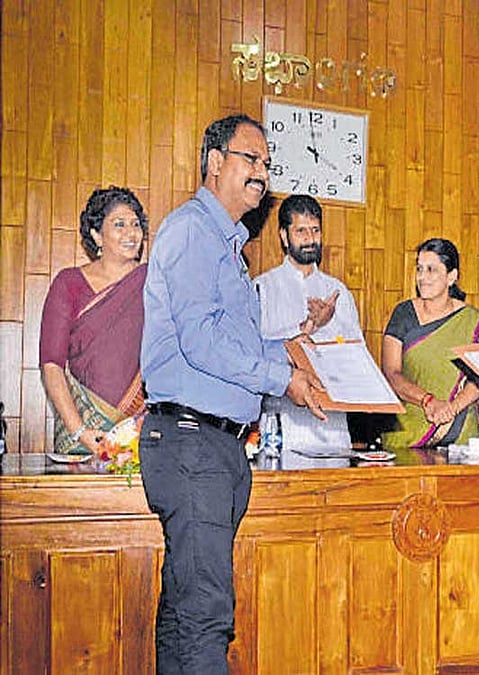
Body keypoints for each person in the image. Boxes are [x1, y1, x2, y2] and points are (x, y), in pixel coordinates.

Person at [139, 113, 324, 672]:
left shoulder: (228, 246)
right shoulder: (194, 230)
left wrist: (297, 361)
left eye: (268, 164)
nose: (262, 172)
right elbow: (203, 342)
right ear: (215, 162)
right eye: (252, 159)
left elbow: (241, 343)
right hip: (193, 441)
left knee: (184, 607)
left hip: (212, 446)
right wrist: (284, 377)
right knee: (206, 615)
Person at [254, 194, 364, 464]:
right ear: (283, 235)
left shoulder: (338, 293)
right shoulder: (261, 288)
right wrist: (305, 328)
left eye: (315, 230)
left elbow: (357, 358)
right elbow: (254, 355)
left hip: (334, 428)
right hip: (283, 429)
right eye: (300, 231)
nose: (309, 238)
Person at [40, 186, 148, 455]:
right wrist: (80, 431)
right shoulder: (69, 284)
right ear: (96, 235)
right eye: (119, 224)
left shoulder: (152, 281)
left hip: (139, 431)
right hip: (83, 431)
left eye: (136, 224)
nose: (131, 233)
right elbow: (51, 364)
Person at [381, 238, 479, 449]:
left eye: (431, 270)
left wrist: (452, 408)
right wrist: (428, 401)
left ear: (452, 277)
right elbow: (391, 374)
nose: (422, 277)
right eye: (419, 269)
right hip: (408, 435)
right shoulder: (403, 314)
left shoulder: (472, 321)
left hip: (460, 437)